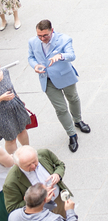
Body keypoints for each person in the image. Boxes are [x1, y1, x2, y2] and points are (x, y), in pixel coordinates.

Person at [28, 21, 89, 153]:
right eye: (39, 35)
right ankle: (72, 134)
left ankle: (78, 120)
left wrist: (61, 56)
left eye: (45, 35)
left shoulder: (64, 39)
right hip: (47, 79)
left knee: (73, 98)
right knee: (60, 109)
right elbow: (31, 57)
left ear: (52, 30)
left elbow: (71, 55)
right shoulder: (32, 42)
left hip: (64, 76)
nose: (42, 39)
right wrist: (35, 66)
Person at [0, 64, 29, 168]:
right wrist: (1, 98)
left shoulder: (4, 71)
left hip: (15, 106)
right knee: (11, 139)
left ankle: (28, 153)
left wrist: (19, 99)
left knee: (22, 130)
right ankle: (16, 162)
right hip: (2, 115)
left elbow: (12, 88)